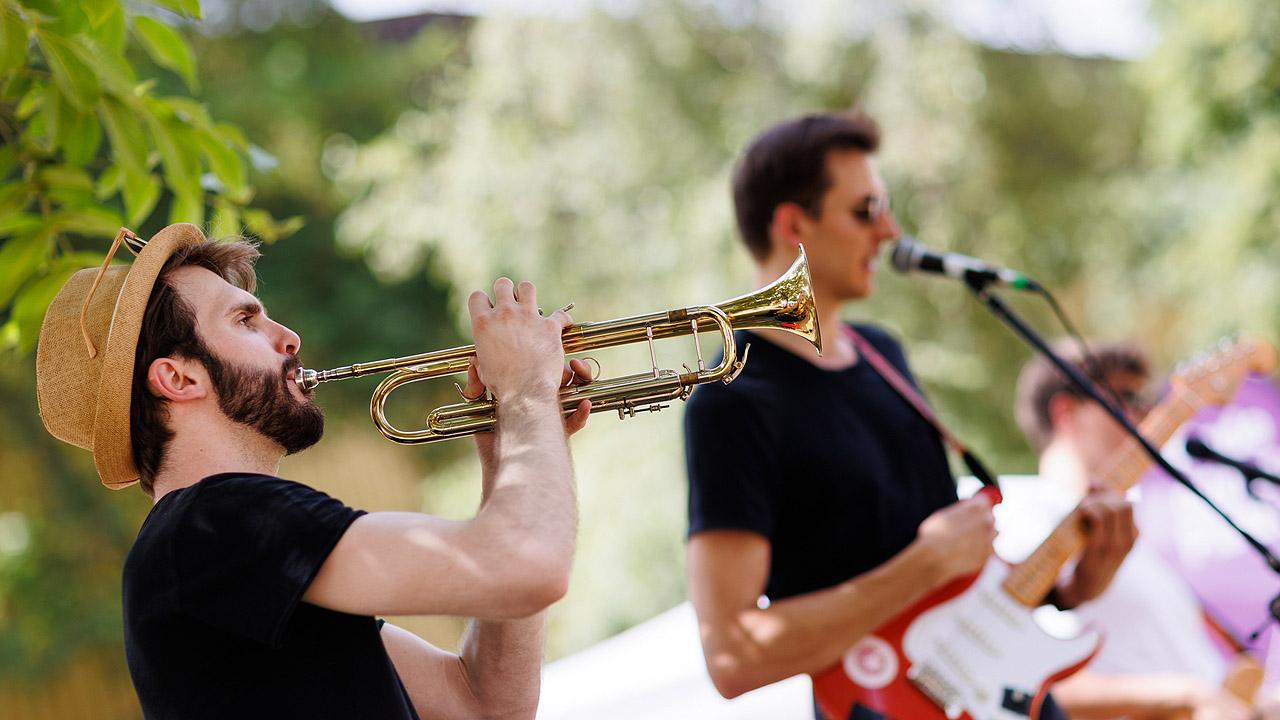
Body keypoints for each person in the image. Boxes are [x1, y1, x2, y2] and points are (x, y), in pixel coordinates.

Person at [682, 111, 1137, 719]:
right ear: (793, 225)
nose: (890, 231)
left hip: (1002, 697)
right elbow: (733, 658)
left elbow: (950, 576)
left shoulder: (883, 353)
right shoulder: (732, 402)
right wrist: (923, 565)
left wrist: (1078, 583)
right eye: (866, 210)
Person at [35, 223, 592, 719]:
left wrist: (504, 443)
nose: (288, 337)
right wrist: (527, 391)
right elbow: (529, 567)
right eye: (246, 321)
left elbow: (485, 702)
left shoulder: (211, 543)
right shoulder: (217, 520)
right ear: (179, 379)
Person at [1014, 341, 1270, 719]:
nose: (1144, 416)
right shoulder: (1019, 508)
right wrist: (1186, 694)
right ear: (1066, 410)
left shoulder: (1141, 536)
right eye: (1126, 398)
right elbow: (1024, 671)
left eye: (1148, 402)